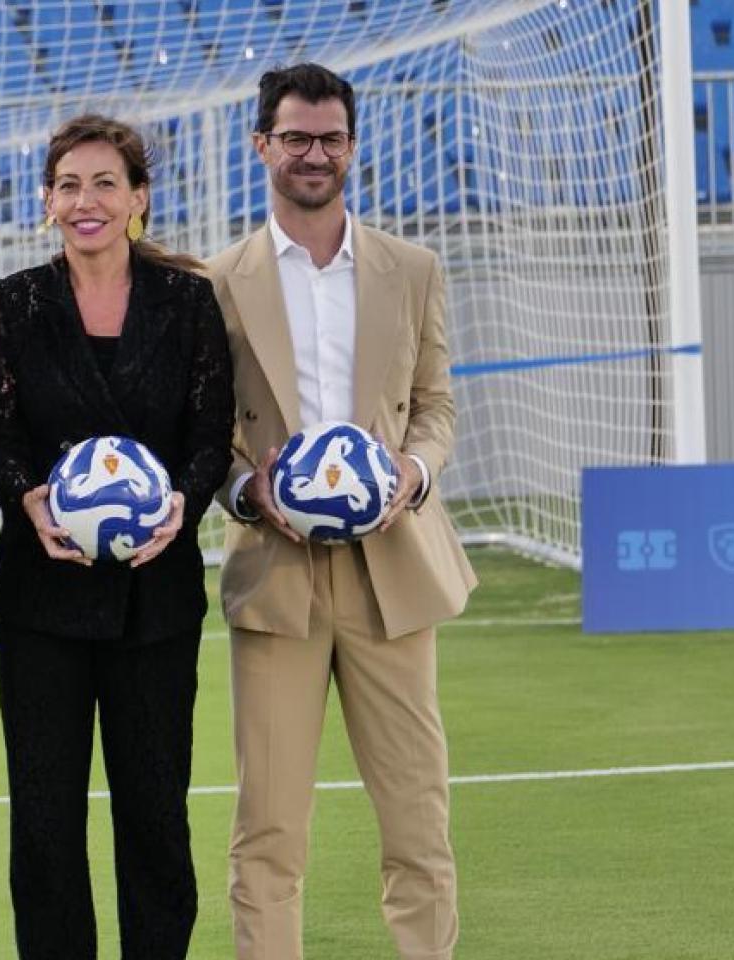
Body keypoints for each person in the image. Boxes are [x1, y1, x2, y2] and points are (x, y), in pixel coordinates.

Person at [205, 63, 479, 960]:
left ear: (352, 147)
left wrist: (414, 472)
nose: (313, 154)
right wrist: (250, 492)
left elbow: (436, 407)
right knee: (270, 831)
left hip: (394, 570)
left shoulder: (412, 268)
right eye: (294, 138)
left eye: (329, 139)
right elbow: (206, 431)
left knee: (417, 823)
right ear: (263, 147)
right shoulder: (218, 283)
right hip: (278, 577)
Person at [0, 114, 234, 960]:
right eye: (69, 185)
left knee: (155, 812)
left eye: (105, 184)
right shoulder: (15, 301)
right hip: (41, 601)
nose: (86, 201)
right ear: (47, 202)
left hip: (155, 602)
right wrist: (30, 500)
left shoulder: (189, 302)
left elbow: (209, 440)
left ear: (138, 200)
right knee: (45, 819)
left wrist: (179, 509)